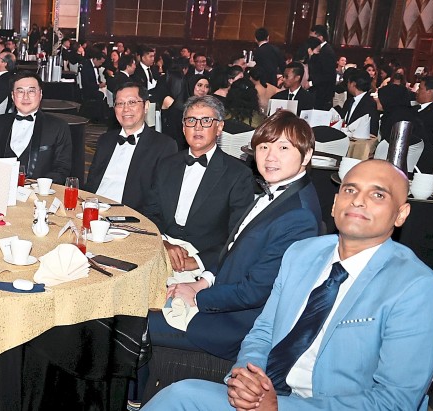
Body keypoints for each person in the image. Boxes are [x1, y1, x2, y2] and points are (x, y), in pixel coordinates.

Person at [144, 159, 433, 411]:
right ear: (334, 204)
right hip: (267, 393)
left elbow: (395, 402)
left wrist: (277, 407)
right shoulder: (303, 253)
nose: (358, 200)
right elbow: (263, 331)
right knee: (178, 396)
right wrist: (249, 378)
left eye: (378, 195)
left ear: (401, 214)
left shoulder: (416, 288)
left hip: (326, 406)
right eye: (350, 189)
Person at [143, 110, 323, 371]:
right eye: (263, 147)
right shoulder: (276, 193)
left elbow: (255, 292)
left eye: (283, 147)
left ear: (306, 155)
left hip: (233, 325)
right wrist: (201, 282)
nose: (270, 157)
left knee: (135, 322)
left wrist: (199, 296)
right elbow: (233, 248)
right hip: (221, 293)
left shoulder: (298, 216)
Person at [139, 96, 255, 271]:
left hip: (203, 261)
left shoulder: (238, 174)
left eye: (206, 121)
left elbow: (238, 235)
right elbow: (150, 212)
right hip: (161, 249)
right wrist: (162, 243)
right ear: (184, 127)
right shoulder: (166, 164)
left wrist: (199, 261)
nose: (198, 127)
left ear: (219, 128)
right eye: (191, 120)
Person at [84, 82, 177, 208]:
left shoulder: (163, 146)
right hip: (93, 209)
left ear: (146, 106)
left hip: (129, 216)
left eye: (132, 102)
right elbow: (91, 184)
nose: (125, 109)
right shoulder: (105, 140)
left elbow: (160, 198)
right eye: (120, 103)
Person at [0, 71, 73, 183]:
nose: (25, 97)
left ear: (40, 94)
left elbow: (62, 168)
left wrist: (38, 185)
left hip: (40, 196)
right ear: (13, 96)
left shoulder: (58, 126)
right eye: (20, 92)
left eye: (31, 91)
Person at [339, 69, 379, 135]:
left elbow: (372, 129)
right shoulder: (349, 101)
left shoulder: (370, 104)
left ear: (353, 84)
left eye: (348, 82)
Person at [307, 25, 337, 110]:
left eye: (312, 37)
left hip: (323, 93)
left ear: (320, 37)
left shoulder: (327, 52)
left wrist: (310, 83)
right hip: (316, 92)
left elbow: (328, 75)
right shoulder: (317, 50)